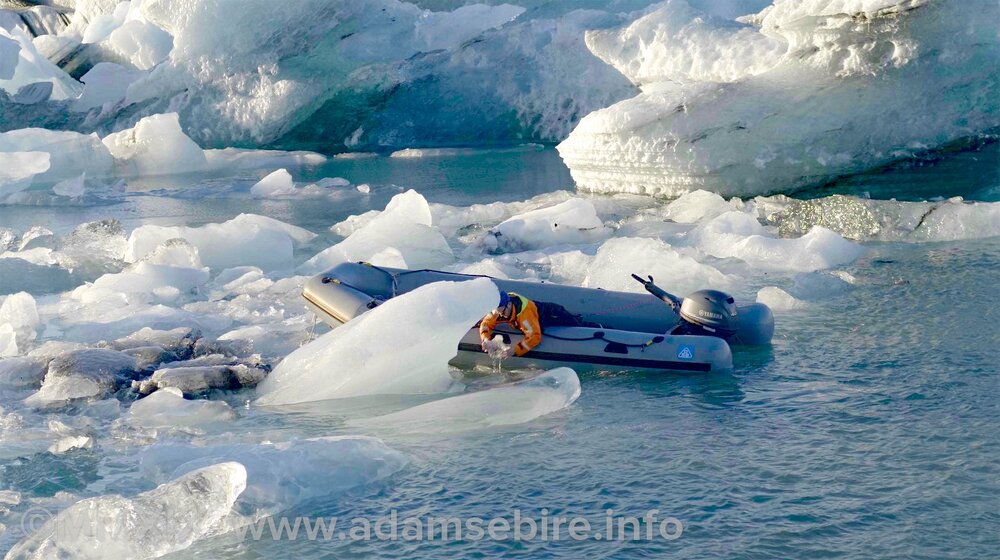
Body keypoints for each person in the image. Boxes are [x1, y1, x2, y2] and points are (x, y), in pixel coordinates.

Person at [479, 291, 542, 358]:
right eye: (499, 313)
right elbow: (485, 323)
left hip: (545, 313)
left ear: (509, 304)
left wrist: (514, 351)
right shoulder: (499, 310)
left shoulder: (525, 316)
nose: (501, 316)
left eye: (502, 313)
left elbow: (534, 337)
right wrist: (485, 339)